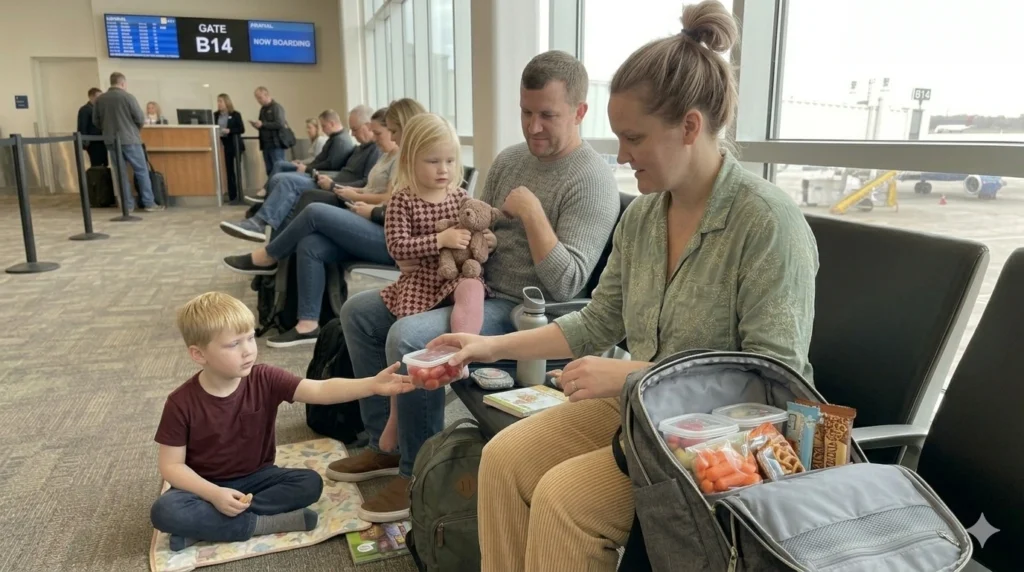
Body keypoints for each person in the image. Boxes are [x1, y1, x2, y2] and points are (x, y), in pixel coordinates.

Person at [428, 3, 818, 569]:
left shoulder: (766, 223)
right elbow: (597, 321)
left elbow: (774, 380)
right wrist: (487, 346)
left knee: (566, 503)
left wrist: (636, 373)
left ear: (689, 126)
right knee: (504, 458)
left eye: (633, 138)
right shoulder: (642, 217)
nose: (621, 154)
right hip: (642, 409)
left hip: (711, 440)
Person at [326, 51, 621, 524]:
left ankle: (416, 471)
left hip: (526, 311)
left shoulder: (592, 180)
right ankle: (383, 439)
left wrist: (532, 214)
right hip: (471, 283)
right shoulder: (509, 159)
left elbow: (568, 281)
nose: (533, 126)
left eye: (548, 115)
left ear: (580, 112)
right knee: (360, 312)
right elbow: (471, 221)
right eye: (526, 112)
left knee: (411, 338)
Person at [149, 292, 414, 551]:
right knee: (165, 510)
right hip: (204, 484)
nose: (248, 351)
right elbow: (172, 466)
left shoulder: (264, 377)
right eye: (233, 344)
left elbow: (320, 390)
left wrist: (372, 385)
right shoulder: (180, 402)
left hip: (258, 478)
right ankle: (259, 524)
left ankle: (208, 526)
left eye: (251, 338)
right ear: (198, 354)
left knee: (309, 483)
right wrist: (213, 494)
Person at [220, 104, 414, 348]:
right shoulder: (394, 156)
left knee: (314, 211)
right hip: (376, 221)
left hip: (392, 238)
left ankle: (269, 256)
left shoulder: (411, 160)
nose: (387, 138)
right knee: (311, 243)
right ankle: (307, 324)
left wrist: (369, 209)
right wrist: (357, 195)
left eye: (389, 132)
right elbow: (386, 194)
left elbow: (397, 203)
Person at [374, 113, 485, 454]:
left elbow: (478, 230)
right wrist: (439, 241)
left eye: (451, 161)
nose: (444, 169)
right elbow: (397, 247)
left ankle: (461, 356)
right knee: (405, 337)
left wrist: (484, 242)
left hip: (454, 277)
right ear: (409, 160)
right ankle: (396, 413)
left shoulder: (459, 195)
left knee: (473, 285)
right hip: (420, 282)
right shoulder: (402, 200)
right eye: (433, 161)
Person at [221, 106, 378, 243]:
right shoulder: (360, 147)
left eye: (355, 129)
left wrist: (332, 184)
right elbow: (338, 168)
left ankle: (261, 223)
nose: (352, 133)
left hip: (337, 188)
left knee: (287, 182)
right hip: (332, 182)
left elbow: (364, 182)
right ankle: (263, 223)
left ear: (368, 126)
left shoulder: (371, 149)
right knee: (282, 182)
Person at [93, 72, 163, 212]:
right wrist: (134, 130)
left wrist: (108, 130)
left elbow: (96, 121)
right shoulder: (127, 97)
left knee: (120, 173)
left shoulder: (100, 100)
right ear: (123, 83)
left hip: (111, 141)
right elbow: (139, 118)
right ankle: (149, 203)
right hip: (130, 139)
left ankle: (128, 205)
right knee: (141, 170)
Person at [214, 94, 245, 203]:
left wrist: (230, 130)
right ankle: (232, 196)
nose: (219, 103)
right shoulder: (215, 115)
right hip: (223, 145)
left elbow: (241, 129)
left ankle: (240, 196)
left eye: (221, 101)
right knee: (229, 170)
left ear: (227, 102)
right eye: (218, 101)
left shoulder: (235, 114)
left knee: (236, 170)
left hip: (235, 144)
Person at [251, 86, 289, 177]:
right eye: (257, 98)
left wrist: (263, 124)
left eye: (260, 98)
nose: (258, 100)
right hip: (265, 144)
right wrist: (258, 126)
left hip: (276, 144)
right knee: (269, 170)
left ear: (266, 94)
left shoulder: (276, 107)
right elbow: (264, 125)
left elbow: (280, 123)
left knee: (279, 169)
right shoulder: (263, 109)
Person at [77, 87, 107, 167]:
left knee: (103, 163)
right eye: (98, 97)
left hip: (101, 141)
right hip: (93, 142)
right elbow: (83, 126)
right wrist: (85, 143)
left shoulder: (98, 109)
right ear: (91, 97)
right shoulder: (85, 110)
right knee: (96, 163)